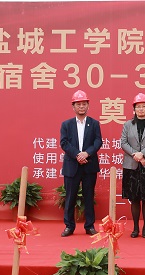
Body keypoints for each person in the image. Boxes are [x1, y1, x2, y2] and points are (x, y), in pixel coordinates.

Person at [60, 90, 103, 237]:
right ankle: (69, 226)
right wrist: (78, 154)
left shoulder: (94, 123)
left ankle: (89, 226)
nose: (81, 107)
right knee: (70, 197)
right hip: (72, 165)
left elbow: (98, 141)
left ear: (88, 106)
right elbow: (64, 143)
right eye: (78, 104)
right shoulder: (66, 124)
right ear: (73, 107)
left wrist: (87, 153)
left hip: (89, 165)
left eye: (84, 104)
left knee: (89, 196)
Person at [120, 93, 145, 238]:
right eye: (138, 107)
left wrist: (142, 154)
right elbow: (123, 142)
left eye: (144, 106)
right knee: (134, 198)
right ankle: (135, 228)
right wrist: (135, 155)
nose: (141, 109)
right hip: (131, 166)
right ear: (134, 109)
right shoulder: (127, 125)